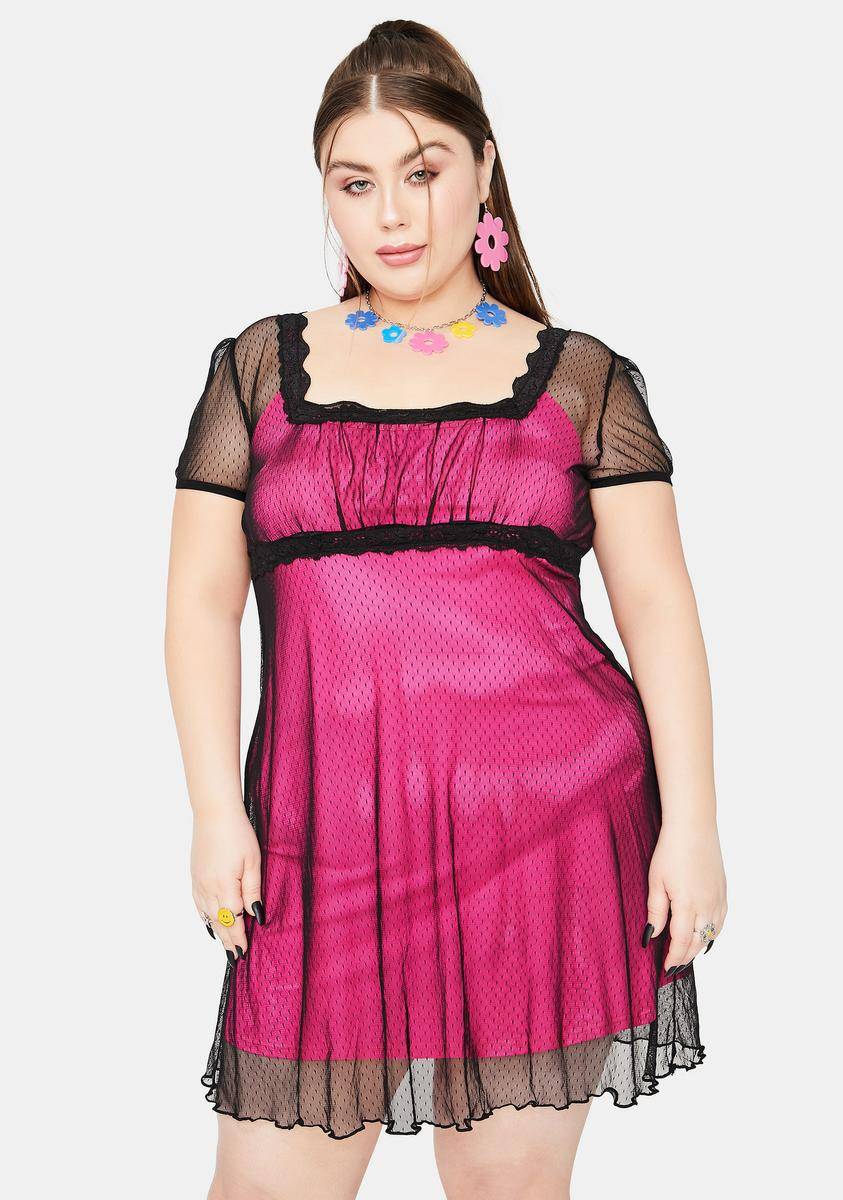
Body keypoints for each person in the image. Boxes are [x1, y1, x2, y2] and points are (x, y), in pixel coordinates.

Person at [165, 18, 727, 1200]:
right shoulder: (258, 370)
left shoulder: (581, 378)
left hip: (546, 830)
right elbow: (201, 604)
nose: (392, 215)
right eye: (355, 182)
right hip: (323, 846)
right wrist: (216, 810)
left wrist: (694, 827)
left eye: (422, 172)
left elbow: (659, 611)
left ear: (483, 168)